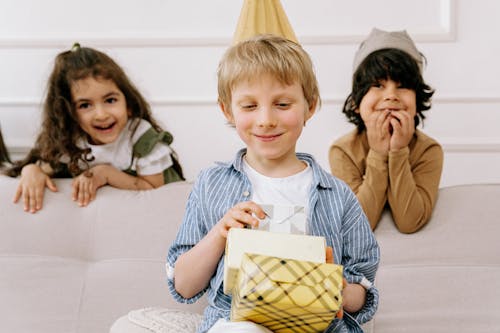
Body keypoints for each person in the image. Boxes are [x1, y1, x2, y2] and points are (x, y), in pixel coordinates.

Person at [167, 34, 379, 333]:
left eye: (282, 104)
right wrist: (220, 234)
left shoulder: (337, 196)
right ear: (228, 110)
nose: (265, 119)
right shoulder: (211, 185)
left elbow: (363, 291)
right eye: (249, 106)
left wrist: (336, 288)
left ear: (311, 106)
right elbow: (185, 286)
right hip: (238, 324)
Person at [7, 43, 184, 213]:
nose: (101, 114)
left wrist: (105, 173)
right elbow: (45, 166)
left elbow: (156, 191)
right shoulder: (71, 141)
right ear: (69, 114)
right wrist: (31, 171)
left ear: (128, 104)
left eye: (110, 100)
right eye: (85, 105)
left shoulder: (140, 137)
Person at [329, 28, 444, 233]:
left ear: (417, 102)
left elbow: (410, 222)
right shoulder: (342, 151)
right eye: (377, 85)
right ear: (356, 102)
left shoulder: (429, 150)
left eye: (402, 86)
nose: (391, 95)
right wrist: (378, 153)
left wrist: (398, 151)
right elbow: (358, 224)